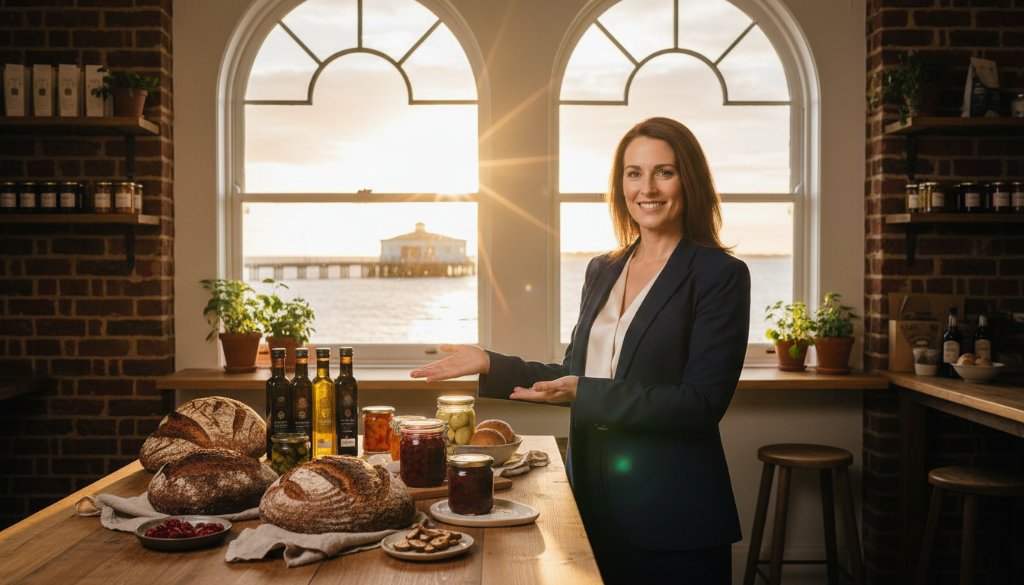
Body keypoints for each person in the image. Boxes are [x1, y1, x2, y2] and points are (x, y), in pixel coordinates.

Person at [410, 116, 750, 584]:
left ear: (688, 179)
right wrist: (492, 363)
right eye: (634, 173)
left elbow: (701, 403)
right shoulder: (603, 269)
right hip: (589, 501)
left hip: (674, 517)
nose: (646, 188)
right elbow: (575, 370)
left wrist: (583, 392)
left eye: (663, 172)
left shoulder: (720, 275)